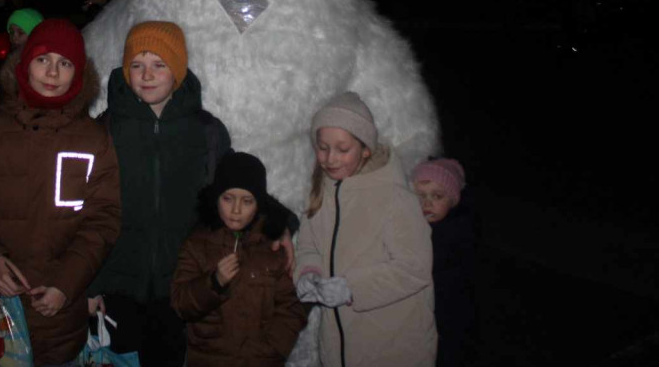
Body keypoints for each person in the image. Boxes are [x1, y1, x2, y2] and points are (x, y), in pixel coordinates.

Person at [0, 18, 121, 367]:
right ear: (24, 63)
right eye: (43, 59)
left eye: (65, 63)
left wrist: (66, 284)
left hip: (60, 317)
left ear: (78, 74)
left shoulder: (94, 140)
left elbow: (103, 220)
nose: (52, 72)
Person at [87, 21, 234, 367]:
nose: (147, 75)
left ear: (178, 71)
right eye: (137, 65)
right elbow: (85, 210)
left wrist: (277, 224)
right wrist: (90, 284)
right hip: (117, 284)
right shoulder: (104, 131)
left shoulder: (207, 133)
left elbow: (233, 194)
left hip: (181, 285)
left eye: (159, 64)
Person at [295, 92, 436, 367]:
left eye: (342, 149)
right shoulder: (321, 191)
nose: (330, 158)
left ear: (366, 149)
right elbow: (310, 245)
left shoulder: (396, 198)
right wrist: (308, 273)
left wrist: (351, 288)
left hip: (393, 347)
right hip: (338, 349)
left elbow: (414, 268)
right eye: (322, 147)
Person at [171, 152, 307, 366]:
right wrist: (213, 283)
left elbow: (291, 307)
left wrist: (272, 349)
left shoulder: (273, 247)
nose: (236, 210)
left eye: (246, 201)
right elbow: (181, 303)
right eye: (227, 198)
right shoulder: (197, 243)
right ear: (216, 198)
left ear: (259, 203)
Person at [412, 158, 477, 367]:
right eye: (420, 196)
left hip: (448, 316)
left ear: (453, 200)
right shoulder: (414, 226)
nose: (427, 203)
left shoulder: (456, 232)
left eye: (437, 196)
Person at [0, 8, 44, 108]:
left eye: (20, 33)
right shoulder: (11, 59)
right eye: (11, 32)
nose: (14, 38)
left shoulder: (40, 62)